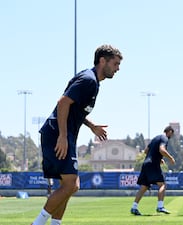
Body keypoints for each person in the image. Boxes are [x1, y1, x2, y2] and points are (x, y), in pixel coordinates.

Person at [31, 45, 123, 225]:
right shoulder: (88, 80)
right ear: (102, 60)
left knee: (69, 186)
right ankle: (37, 224)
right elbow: (63, 103)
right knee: (71, 185)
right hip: (57, 133)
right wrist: (63, 136)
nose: (118, 68)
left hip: (62, 133)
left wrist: (91, 125)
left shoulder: (93, 82)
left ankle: (55, 224)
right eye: (115, 63)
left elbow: (75, 109)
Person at [130, 126, 176, 216]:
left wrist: (158, 158)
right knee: (162, 184)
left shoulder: (156, 138)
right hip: (153, 164)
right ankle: (160, 206)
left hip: (146, 164)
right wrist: (170, 158)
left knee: (144, 187)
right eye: (172, 134)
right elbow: (162, 150)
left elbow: (146, 151)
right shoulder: (164, 138)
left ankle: (134, 207)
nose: (171, 136)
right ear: (169, 131)